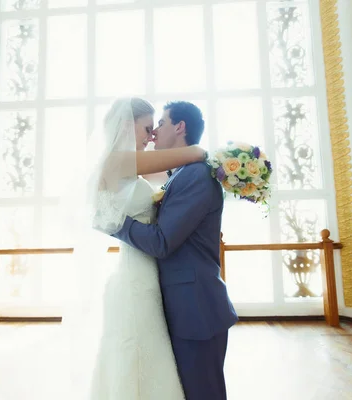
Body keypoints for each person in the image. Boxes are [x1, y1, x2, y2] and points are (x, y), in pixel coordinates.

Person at [65, 97, 209, 399]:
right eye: (147, 127)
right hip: (135, 277)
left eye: (155, 127)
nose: (152, 135)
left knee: (145, 355)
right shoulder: (118, 160)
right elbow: (195, 153)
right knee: (138, 352)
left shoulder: (129, 165)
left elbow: (172, 181)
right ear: (128, 125)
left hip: (144, 271)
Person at [112, 101, 238, 400]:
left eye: (161, 124)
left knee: (203, 392)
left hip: (195, 307)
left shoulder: (195, 175)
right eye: (150, 127)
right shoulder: (180, 175)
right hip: (180, 303)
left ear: (180, 127)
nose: (154, 133)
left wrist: (115, 222)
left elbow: (162, 242)